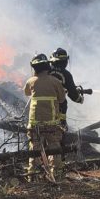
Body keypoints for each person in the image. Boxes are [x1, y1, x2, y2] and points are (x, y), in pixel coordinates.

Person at [23, 53, 66, 181]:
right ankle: (56, 174)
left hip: (34, 124)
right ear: (47, 66)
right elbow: (62, 99)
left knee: (34, 149)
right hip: (52, 124)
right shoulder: (55, 81)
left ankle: (32, 176)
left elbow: (26, 92)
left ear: (34, 68)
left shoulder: (31, 81)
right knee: (54, 148)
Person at [48, 47, 90, 128]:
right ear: (65, 61)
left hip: (41, 105)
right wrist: (80, 99)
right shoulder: (66, 74)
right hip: (58, 105)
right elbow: (73, 94)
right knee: (61, 124)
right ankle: (62, 126)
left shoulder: (45, 71)